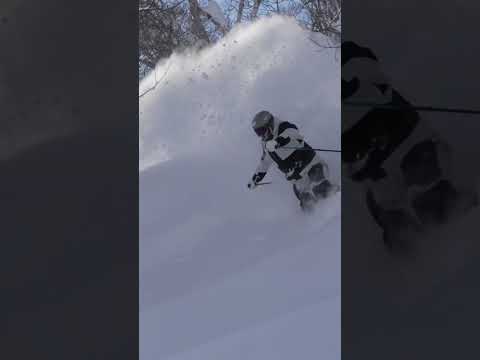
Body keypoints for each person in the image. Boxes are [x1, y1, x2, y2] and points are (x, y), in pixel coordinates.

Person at [342, 40, 478, 249]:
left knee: (402, 215)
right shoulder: (349, 55)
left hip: (384, 157)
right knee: (431, 202)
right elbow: (372, 65)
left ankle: (425, 254)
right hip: (403, 141)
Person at [248, 110, 338, 211]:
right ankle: (316, 223)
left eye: (262, 131)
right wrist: (255, 179)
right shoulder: (266, 145)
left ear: (269, 124)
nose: (261, 135)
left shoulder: (283, 127)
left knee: (322, 190)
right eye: (258, 133)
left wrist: (277, 142)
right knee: (307, 204)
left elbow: (293, 132)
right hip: (298, 179)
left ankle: (337, 205)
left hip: (312, 167)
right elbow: (264, 163)